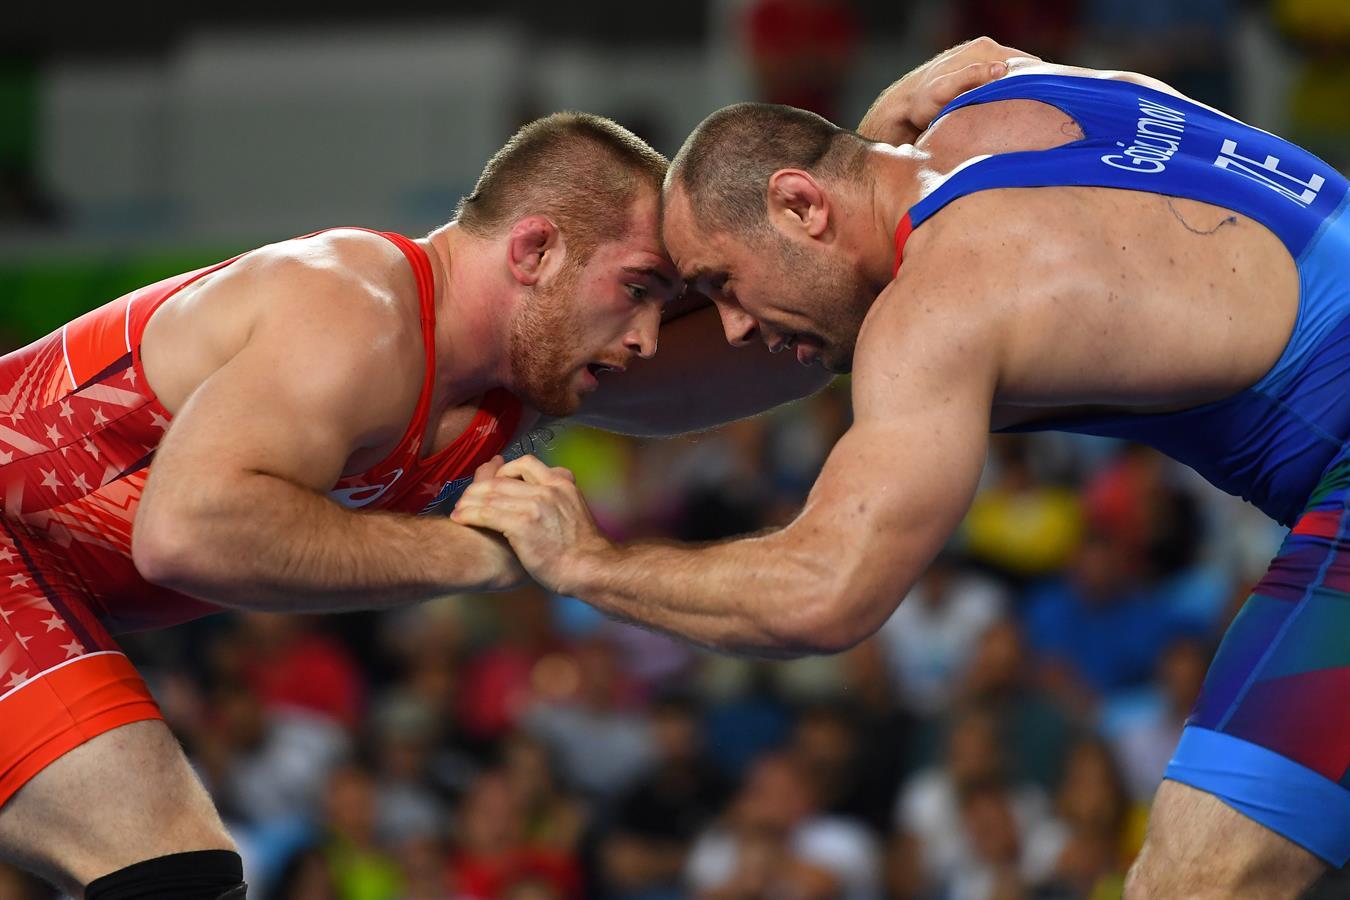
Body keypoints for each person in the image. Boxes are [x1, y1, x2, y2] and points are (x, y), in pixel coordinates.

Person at [0, 43, 1015, 898]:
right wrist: (473, 555)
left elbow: (799, 324)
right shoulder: (357, 305)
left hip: (56, 592)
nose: (651, 336)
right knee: (167, 870)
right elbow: (190, 531)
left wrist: (889, 171)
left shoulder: (520, 380)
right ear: (532, 250)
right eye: (638, 291)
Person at [451, 45, 1350, 898]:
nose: (730, 329)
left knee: (1196, 881)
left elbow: (824, 593)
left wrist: (585, 563)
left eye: (723, 282)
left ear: (803, 204)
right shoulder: (999, 102)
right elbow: (984, 57)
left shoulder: (941, 306)